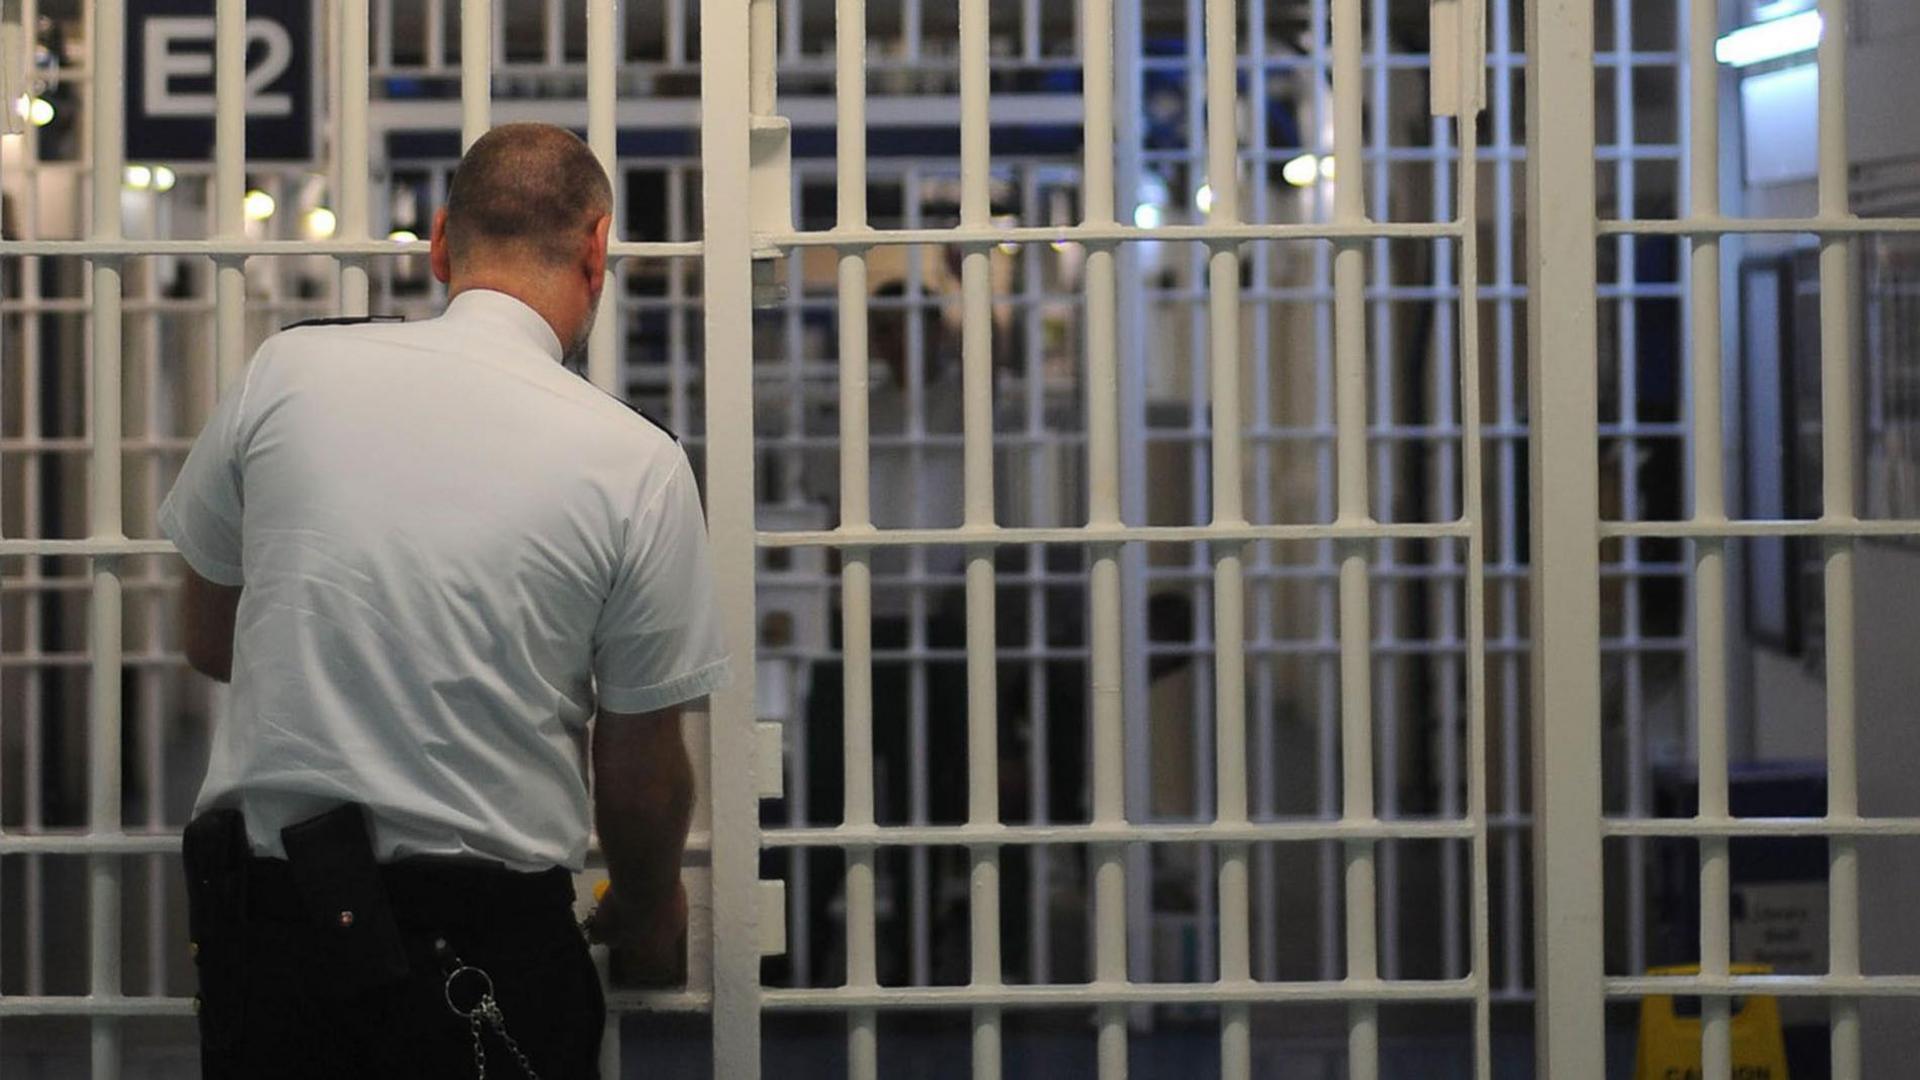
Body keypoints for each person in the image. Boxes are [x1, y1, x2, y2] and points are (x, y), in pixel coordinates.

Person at [161, 122, 729, 1079]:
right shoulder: (638, 461)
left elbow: (211, 639)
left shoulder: (286, 373)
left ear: (437, 243)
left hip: (277, 930)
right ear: (598, 248)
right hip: (490, 948)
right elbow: (639, 767)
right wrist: (646, 905)